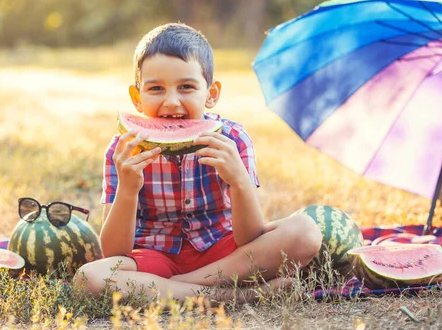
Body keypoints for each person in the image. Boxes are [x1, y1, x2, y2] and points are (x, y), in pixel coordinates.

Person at [73, 23, 322, 302]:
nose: (171, 102)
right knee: (89, 279)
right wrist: (128, 189)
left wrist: (239, 181)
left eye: (186, 87)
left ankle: (171, 288)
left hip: (225, 255)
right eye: (155, 88)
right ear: (137, 98)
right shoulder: (124, 150)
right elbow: (114, 251)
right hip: (154, 257)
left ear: (211, 94)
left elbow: (249, 237)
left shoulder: (233, 140)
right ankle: (240, 296)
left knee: (305, 232)